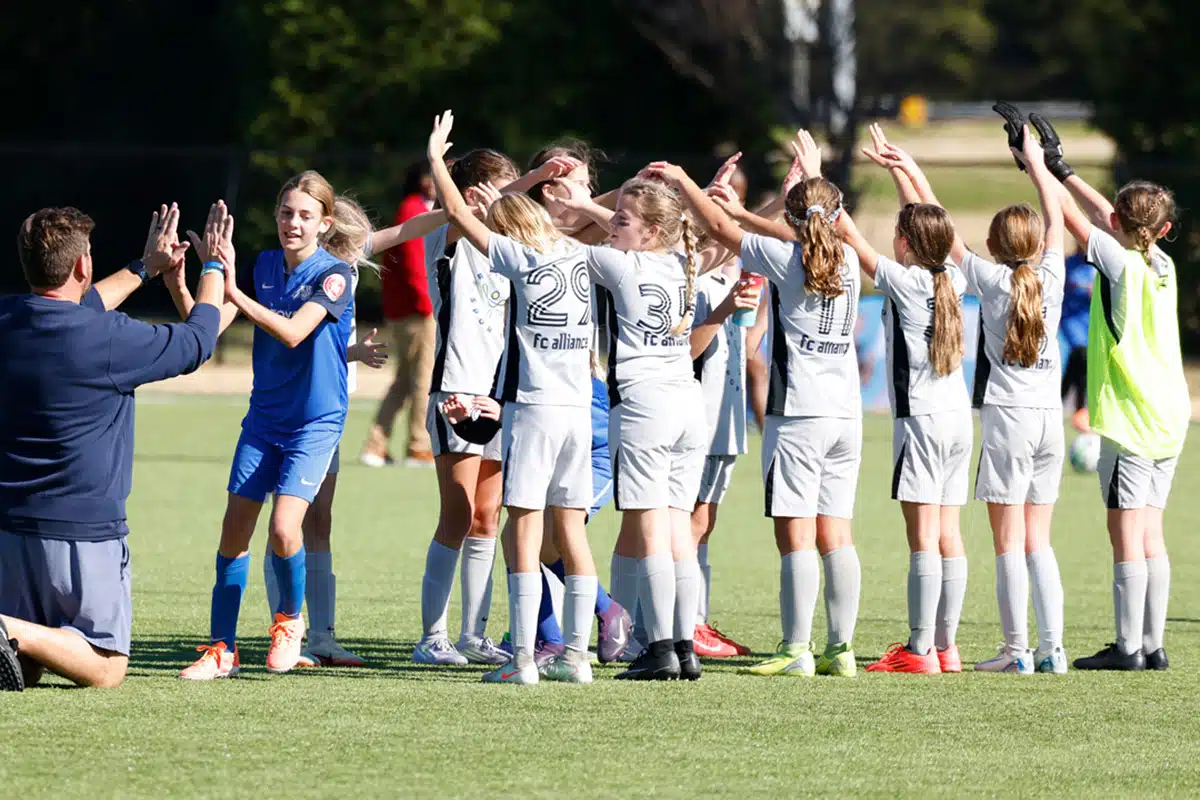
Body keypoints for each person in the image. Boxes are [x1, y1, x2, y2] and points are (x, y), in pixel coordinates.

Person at [651, 134, 864, 679]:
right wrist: (808, 181)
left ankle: (798, 648)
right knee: (836, 532)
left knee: (795, 534)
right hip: (848, 416)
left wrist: (681, 181)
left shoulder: (787, 259)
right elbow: (796, 229)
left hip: (798, 417)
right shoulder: (847, 261)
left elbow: (725, 231)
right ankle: (842, 649)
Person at [0, 202, 227, 690]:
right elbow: (200, 339)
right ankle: (5, 626)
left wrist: (145, 268)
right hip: (82, 533)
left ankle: (11, 629)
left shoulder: (9, 318)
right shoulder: (109, 339)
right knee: (104, 667)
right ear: (83, 264)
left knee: (32, 662)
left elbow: (72, 308)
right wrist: (215, 266)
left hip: (9, 528)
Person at [885, 117, 1070, 674]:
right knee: (1040, 541)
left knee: (1008, 541)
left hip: (1008, 420)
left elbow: (939, 233)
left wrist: (911, 169)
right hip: (1050, 421)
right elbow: (1058, 214)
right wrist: (1036, 164)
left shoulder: (987, 280)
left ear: (992, 245)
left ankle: (1017, 651)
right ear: (1037, 245)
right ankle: (1052, 649)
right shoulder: (1053, 277)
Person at [427, 111, 599, 684]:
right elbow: (458, 215)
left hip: (527, 407)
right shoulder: (576, 257)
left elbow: (466, 212)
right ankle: (570, 655)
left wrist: (435, 159)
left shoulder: (524, 258)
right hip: (547, 403)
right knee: (554, 528)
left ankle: (515, 653)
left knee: (512, 523)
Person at [177, 171, 359, 680]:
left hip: (315, 423)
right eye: (286, 212)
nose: (292, 223)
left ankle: (288, 623)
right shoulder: (262, 266)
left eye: (305, 215)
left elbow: (295, 333)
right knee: (233, 530)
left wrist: (234, 289)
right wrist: (181, 279)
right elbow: (206, 329)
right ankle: (221, 650)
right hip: (264, 420)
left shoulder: (336, 275)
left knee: (284, 528)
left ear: (325, 224)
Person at [1027, 113, 1187, 672]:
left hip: (1127, 418)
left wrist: (1036, 165)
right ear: (1164, 229)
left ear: (1122, 222)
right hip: (1170, 417)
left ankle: (1128, 648)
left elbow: (1074, 219)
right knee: (1152, 533)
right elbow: (1102, 214)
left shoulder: (1118, 262)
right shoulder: (1160, 263)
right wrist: (1063, 166)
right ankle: (1154, 644)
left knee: (1125, 537)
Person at [841, 127, 972, 675]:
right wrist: (905, 169)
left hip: (919, 422)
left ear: (904, 244)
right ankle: (946, 646)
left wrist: (823, 201)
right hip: (958, 421)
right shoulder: (954, 278)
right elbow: (929, 223)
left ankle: (919, 651)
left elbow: (851, 237)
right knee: (948, 536)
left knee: (922, 541)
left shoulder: (902, 280)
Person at [361, 162, 438, 468]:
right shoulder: (413, 207)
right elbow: (413, 262)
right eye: (428, 176)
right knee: (422, 378)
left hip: (410, 308)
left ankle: (375, 445)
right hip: (417, 310)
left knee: (406, 379)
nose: (433, 182)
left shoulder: (421, 206)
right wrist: (429, 303)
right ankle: (418, 446)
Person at [1061, 247, 1094, 431]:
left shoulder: (1098, 265)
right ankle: (1080, 409)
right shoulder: (1069, 264)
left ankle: (1062, 400)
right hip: (1071, 322)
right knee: (1080, 355)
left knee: (1078, 363)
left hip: (1090, 323)